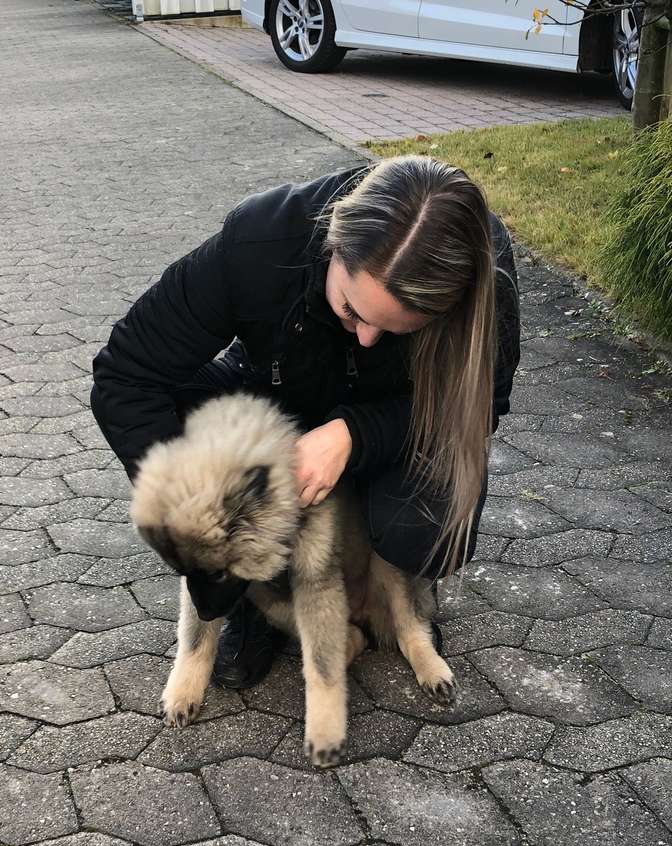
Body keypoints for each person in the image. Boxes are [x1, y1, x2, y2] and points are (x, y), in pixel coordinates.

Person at [91, 155, 520, 689]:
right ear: (332, 246)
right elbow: (125, 375)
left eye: (397, 330)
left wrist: (355, 435)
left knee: (420, 530)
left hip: (393, 429)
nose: (365, 337)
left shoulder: (484, 279)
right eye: (351, 311)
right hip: (275, 400)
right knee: (184, 419)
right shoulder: (262, 240)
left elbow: (482, 407)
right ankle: (255, 599)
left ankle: (388, 581)